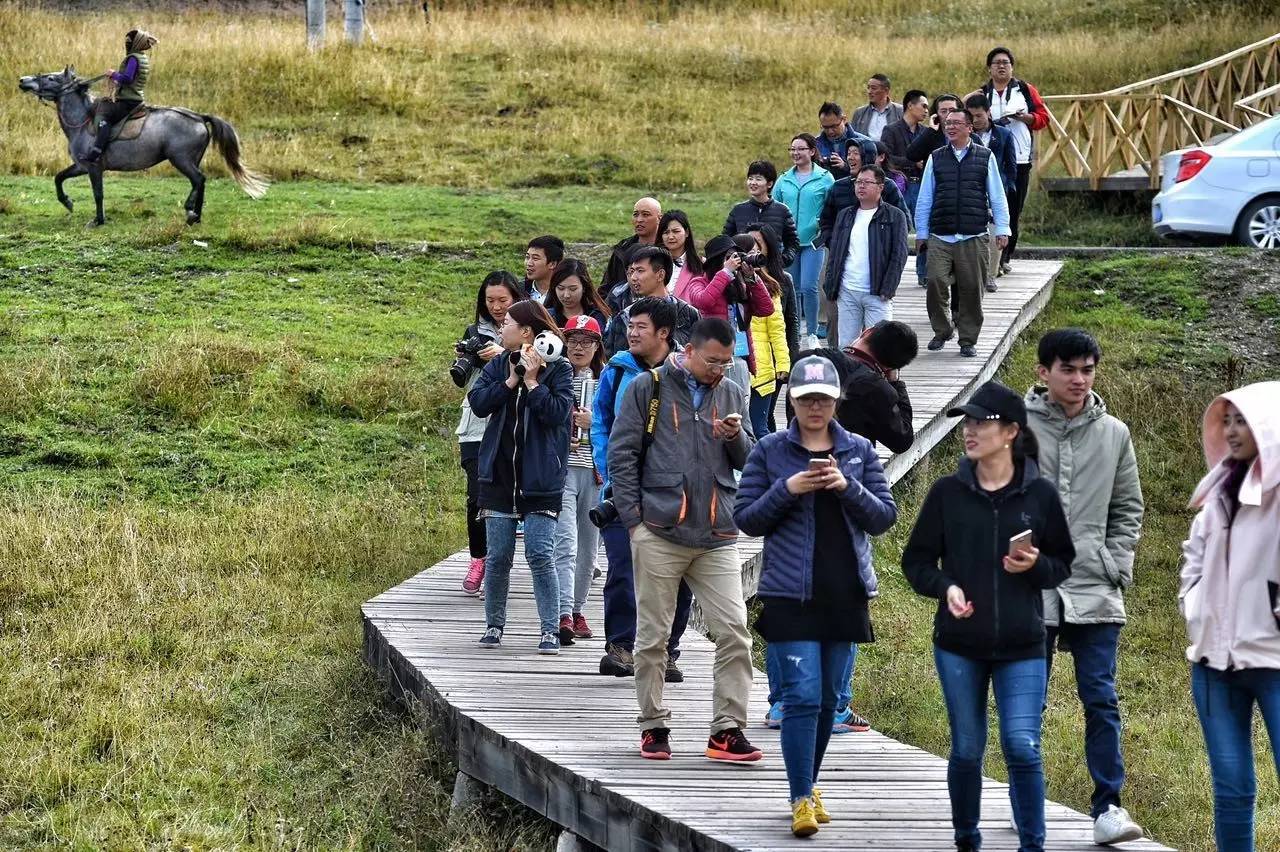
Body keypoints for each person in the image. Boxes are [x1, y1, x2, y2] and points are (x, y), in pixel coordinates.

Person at [902, 380, 1074, 852]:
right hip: (959, 644)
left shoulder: (1039, 495)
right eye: (968, 423)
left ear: (1011, 432)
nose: (971, 431)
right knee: (967, 749)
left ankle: (1033, 845)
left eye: (982, 422)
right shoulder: (945, 493)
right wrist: (946, 587)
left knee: (1022, 745)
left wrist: (1035, 565)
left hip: (1024, 644)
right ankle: (967, 840)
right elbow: (915, 562)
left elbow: (1062, 563)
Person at [734, 354, 897, 837]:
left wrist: (847, 487)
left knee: (828, 699)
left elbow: (884, 518)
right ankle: (800, 796)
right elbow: (748, 519)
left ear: (836, 400)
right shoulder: (769, 451)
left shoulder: (860, 451)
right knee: (802, 697)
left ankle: (811, 782)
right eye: (806, 399)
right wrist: (789, 488)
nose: (815, 408)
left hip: (844, 591)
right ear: (793, 400)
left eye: (823, 399)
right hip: (788, 594)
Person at [610, 318, 761, 762]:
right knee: (653, 636)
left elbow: (751, 457)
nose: (720, 369)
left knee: (735, 632)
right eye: (713, 361)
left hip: (717, 531)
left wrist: (736, 439)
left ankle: (727, 729)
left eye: (727, 362)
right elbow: (622, 455)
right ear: (689, 351)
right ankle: (653, 725)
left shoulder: (733, 391)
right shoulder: (647, 387)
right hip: (658, 530)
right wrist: (634, 522)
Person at [1023, 329, 1145, 845]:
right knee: (1027, 699)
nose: (1079, 379)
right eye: (1068, 369)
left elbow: (1128, 508)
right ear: (1043, 371)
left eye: (1088, 369)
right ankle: (1024, 799)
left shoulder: (1114, 432)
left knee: (1101, 697)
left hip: (1096, 586)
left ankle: (1108, 807)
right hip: (1029, 587)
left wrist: (1116, 562)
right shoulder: (1016, 427)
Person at [770, 320, 917, 734]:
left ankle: (782, 703)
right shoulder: (877, 387)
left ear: (865, 334)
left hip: (793, 487)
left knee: (787, 605)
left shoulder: (811, 360)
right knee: (846, 606)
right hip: (844, 498)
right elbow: (903, 439)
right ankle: (835, 705)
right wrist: (897, 385)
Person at [1179, 380, 1280, 852]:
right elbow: (1193, 560)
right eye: (1228, 420)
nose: (1233, 431)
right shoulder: (1217, 489)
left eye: (1244, 421)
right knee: (1232, 790)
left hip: (1275, 664)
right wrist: (1194, 607)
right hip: (1213, 664)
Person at [591, 297, 694, 680]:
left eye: (641, 327)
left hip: (675, 494)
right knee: (622, 566)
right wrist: (608, 468)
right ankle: (621, 646)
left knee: (679, 575)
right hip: (622, 492)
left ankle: (667, 650)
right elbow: (601, 422)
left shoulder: (690, 369)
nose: (631, 333)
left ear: (664, 333)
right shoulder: (617, 370)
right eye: (630, 326)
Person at [468, 301, 575, 654]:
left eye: (508, 322)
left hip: (541, 479)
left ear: (527, 331)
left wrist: (531, 382)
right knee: (498, 557)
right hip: (498, 476)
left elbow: (558, 414)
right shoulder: (499, 364)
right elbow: (479, 402)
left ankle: (549, 630)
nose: (501, 327)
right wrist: (512, 379)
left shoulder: (558, 370)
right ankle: (493, 625)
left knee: (540, 554)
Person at [915, 109, 1011, 358]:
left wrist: (1002, 229)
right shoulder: (936, 157)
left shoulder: (985, 156)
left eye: (957, 123)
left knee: (971, 290)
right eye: (948, 123)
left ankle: (968, 339)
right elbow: (925, 198)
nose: (951, 127)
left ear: (970, 128)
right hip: (941, 234)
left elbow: (998, 196)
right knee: (935, 281)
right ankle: (943, 330)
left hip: (973, 235)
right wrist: (922, 233)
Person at [454, 272, 526, 596]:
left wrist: (504, 355)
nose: (495, 307)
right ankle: (478, 558)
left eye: (503, 301)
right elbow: (461, 380)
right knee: (475, 496)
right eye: (489, 301)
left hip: (510, 424)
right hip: (474, 425)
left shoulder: (526, 335)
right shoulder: (474, 333)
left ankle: (497, 564)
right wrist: (465, 358)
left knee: (502, 498)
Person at [553, 315, 607, 644]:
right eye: (572, 339)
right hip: (562, 470)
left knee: (589, 546)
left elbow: (620, 424)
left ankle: (578, 608)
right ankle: (561, 611)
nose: (578, 346)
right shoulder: (555, 377)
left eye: (586, 340)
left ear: (597, 346)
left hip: (596, 472)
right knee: (565, 542)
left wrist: (593, 422)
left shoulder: (607, 381)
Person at [689, 234, 776, 421]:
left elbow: (766, 309)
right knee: (711, 414)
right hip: (711, 361)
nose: (735, 261)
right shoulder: (699, 282)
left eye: (737, 256)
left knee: (738, 413)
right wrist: (725, 273)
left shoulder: (740, 285)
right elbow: (704, 301)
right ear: (716, 261)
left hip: (738, 358)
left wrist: (752, 279)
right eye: (729, 257)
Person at [821, 165, 908, 349]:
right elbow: (835, 254)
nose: (861, 186)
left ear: (880, 187)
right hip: (847, 291)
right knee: (847, 345)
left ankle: (884, 378)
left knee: (881, 346)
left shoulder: (895, 216)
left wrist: (888, 288)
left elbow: (899, 255)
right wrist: (831, 285)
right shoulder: (845, 215)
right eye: (858, 182)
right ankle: (851, 378)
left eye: (867, 182)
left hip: (877, 293)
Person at [981, 47, 1050, 275]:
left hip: (1019, 159)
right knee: (991, 209)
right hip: (990, 159)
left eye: (1006, 63)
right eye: (997, 63)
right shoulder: (983, 94)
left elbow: (1043, 118)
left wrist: (1025, 117)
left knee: (1013, 209)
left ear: (1012, 67)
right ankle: (991, 258)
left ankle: (1005, 257)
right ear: (989, 68)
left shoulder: (1026, 90)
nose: (1001, 66)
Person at [773, 133, 834, 350]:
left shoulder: (825, 178)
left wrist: (820, 224)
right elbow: (775, 207)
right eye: (792, 149)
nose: (796, 153)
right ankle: (795, 330)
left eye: (800, 149)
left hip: (813, 241)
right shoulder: (784, 179)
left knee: (809, 286)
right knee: (793, 286)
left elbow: (831, 207)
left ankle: (813, 332)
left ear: (812, 151)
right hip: (789, 242)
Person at [905, 93, 964, 289]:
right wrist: (931, 131)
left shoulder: (967, 135)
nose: (948, 115)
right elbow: (912, 154)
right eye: (943, 111)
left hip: (957, 195)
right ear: (936, 114)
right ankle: (924, 273)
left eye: (952, 110)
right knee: (926, 230)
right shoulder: (933, 135)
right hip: (933, 192)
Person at [601, 246, 700, 357]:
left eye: (640, 271)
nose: (633, 277)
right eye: (632, 271)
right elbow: (614, 361)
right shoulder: (625, 317)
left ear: (660, 275)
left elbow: (698, 356)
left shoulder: (689, 314)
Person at [965, 93, 1018, 293]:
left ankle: (990, 275)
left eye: (979, 115)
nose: (976, 120)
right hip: (972, 190)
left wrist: (1007, 185)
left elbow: (1011, 165)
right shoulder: (964, 136)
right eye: (971, 117)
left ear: (988, 112)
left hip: (996, 190)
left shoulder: (1003, 134)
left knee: (995, 233)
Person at [817, 140, 909, 250]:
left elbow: (904, 222)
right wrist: (834, 242)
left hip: (878, 255)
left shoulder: (887, 186)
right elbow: (826, 221)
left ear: (868, 157)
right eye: (849, 153)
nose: (850, 157)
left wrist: (884, 245)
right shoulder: (838, 187)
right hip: (844, 254)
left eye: (855, 153)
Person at [87, 29, 158, 163]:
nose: (126, 44)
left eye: (128, 42)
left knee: (104, 113)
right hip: (136, 98)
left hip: (129, 100)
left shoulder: (133, 58)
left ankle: (96, 151)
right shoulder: (142, 57)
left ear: (134, 44)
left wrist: (113, 74)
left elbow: (127, 78)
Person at [746, 241, 791, 439]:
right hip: (734, 367)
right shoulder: (725, 284)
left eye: (755, 253)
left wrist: (783, 362)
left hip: (762, 370)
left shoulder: (770, 287)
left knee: (759, 428)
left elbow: (777, 330)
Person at [722, 160, 801, 268]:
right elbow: (725, 240)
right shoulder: (738, 210)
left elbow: (793, 242)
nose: (753, 182)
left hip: (772, 272)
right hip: (743, 270)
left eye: (758, 179)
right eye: (750, 178)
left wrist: (782, 261)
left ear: (769, 184)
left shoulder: (782, 210)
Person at [603, 197, 662, 308]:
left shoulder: (668, 250)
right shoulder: (622, 250)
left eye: (646, 215)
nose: (639, 219)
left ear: (660, 218)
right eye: (635, 215)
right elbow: (606, 287)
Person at [883, 89, 929, 212]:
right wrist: (914, 163)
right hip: (900, 186)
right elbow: (886, 158)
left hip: (922, 187)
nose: (926, 111)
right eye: (923, 106)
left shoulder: (926, 132)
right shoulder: (891, 130)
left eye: (927, 108)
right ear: (910, 105)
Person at [544, 258, 610, 329]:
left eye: (573, 289)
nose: (566, 295)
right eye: (561, 288)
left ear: (584, 287)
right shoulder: (547, 318)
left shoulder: (598, 317)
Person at [656, 210, 706, 301]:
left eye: (676, 231)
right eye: (666, 232)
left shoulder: (701, 264)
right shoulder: (653, 263)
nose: (670, 237)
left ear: (686, 233)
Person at [814, 102, 871, 181]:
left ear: (844, 119)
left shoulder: (864, 142)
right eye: (825, 127)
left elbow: (872, 173)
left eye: (834, 126)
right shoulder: (815, 144)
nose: (830, 131)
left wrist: (846, 166)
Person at [851, 74, 905, 141]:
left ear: (886, 91)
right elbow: (852, 137)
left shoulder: (900, 111)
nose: (869, 92)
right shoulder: (860, 112)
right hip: (865, 150)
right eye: (868, 88)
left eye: (873, 88)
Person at [523, 235, 564, 304]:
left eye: (535, 258)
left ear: (552, 264)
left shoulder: (564, 294)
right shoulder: (518, 290)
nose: (529, 263)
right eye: (527, 257)